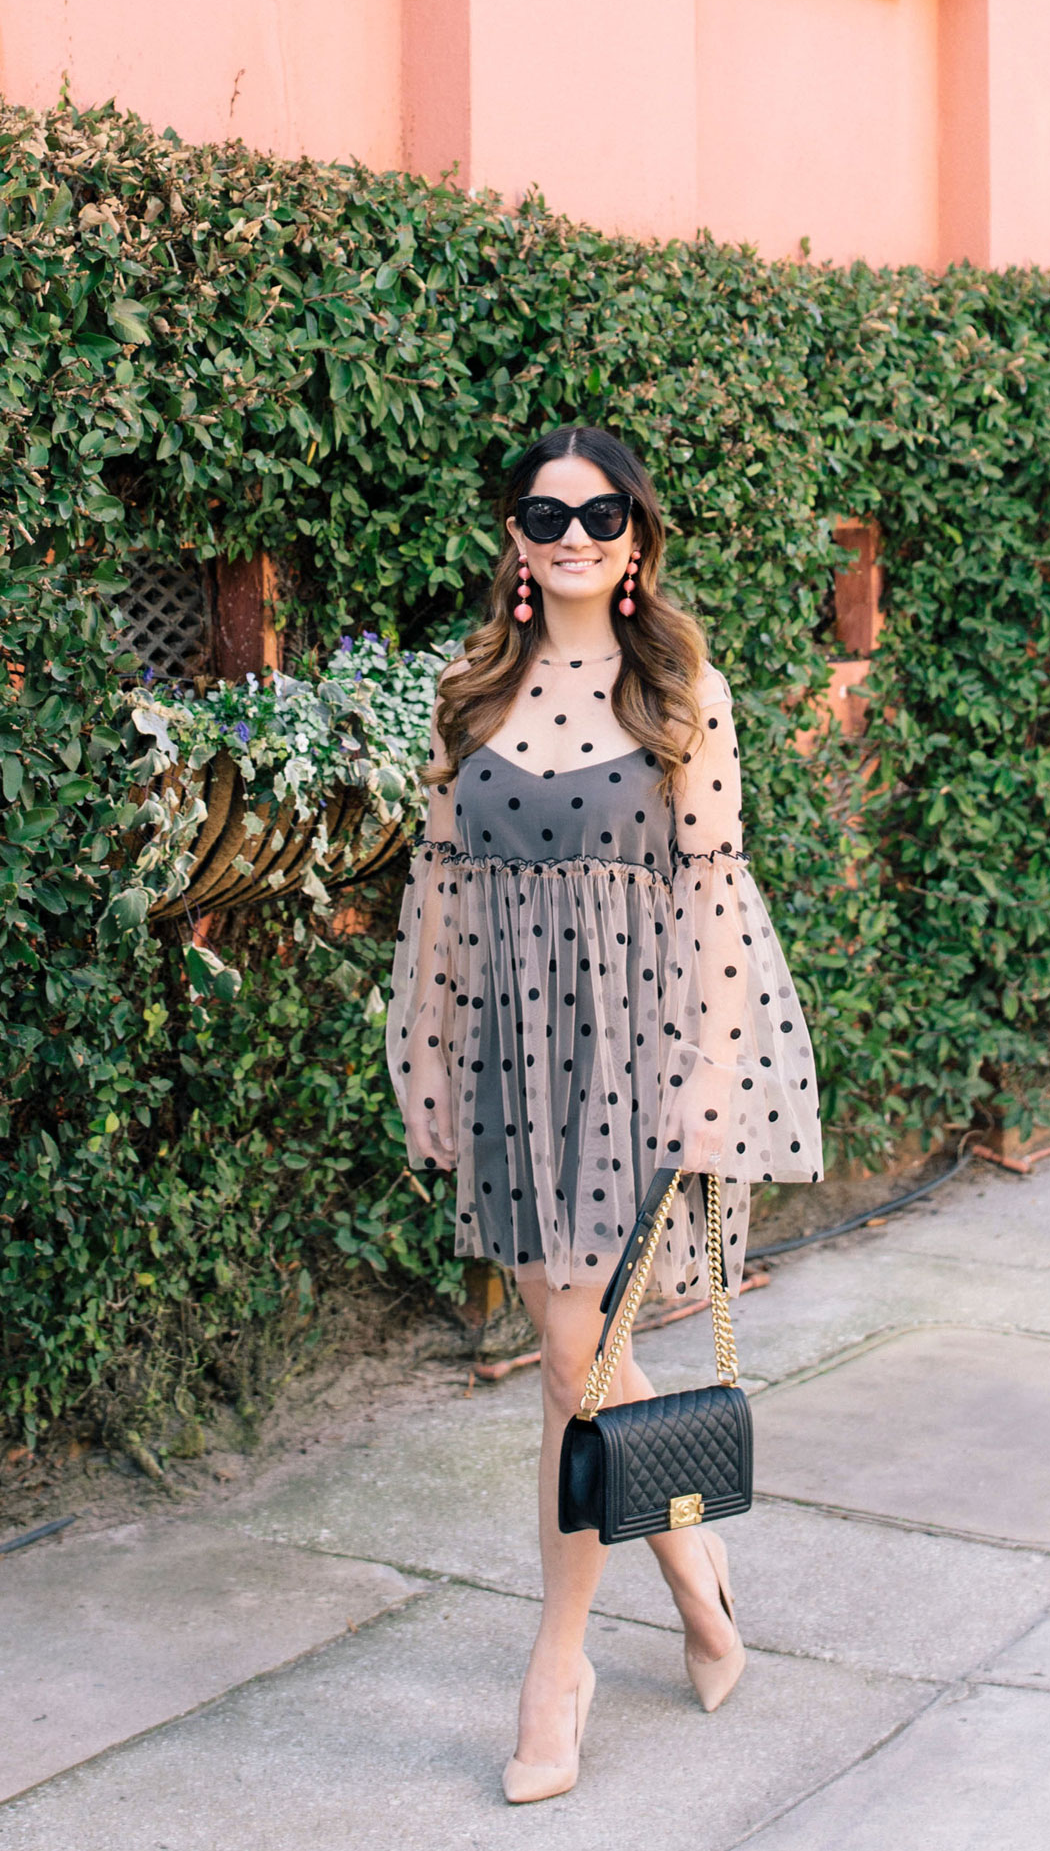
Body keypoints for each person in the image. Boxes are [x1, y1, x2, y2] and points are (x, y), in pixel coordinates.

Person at [387, 424, 821, 1803]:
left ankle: (556, 1666)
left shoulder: (684, 686)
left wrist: (710, 1087)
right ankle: (699, 1572)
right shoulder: (468, 691)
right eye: (542, 511)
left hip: (641, 1060)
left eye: (598, 512)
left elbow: (714, 898)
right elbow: (440, 903)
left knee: (577, 1364)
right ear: (514, 538)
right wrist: (434, 1068)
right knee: (575, 1359)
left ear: (636, 537)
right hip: (514, 1064)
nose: (571, 533)